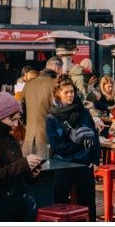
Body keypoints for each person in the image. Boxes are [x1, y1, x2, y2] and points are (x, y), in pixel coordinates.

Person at [0, 94, 43, 221]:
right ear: (0, 117)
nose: (16, 124)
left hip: (11, 207)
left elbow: (13, 172)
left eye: (18, 119)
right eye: (12, 119)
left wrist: (30, 172)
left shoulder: (12, 139)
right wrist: (23, 165)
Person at [45, 76, 98, 209]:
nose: (70, 95)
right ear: (58, 94)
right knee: (60, 200)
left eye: (72, 92)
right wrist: (78, 144)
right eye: (66, 92)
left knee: (87, 203)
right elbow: (56, 145)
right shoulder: (52, 118)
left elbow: (94, 135)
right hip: (62, 163)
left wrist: (96, 159)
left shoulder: (84, 112)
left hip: (84, 162)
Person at [20, 58, 59, 156]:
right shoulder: (55, 84)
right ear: (57, 68)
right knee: (46, 168)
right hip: (47, 137)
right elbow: (60, 110)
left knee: (28, 167)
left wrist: (27, 124)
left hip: (29, 136)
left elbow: (20, 109)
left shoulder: (28, 85)